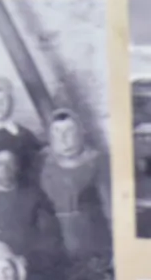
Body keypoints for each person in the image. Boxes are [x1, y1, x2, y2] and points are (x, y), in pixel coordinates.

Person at [0, 148, 61, 266]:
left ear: (17, 168)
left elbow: (49, 235)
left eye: (10, 163)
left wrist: (31, 260)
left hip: (29, 263)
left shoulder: (33, 195)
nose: (5, 168)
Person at [36, 109, 110, 260]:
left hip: (93, 242)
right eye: (57, 132)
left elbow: (112, 208)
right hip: (55, 245)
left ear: (81, 132)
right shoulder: (42, 164)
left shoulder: (98, 162)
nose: (63, 138)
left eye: (69, 131)